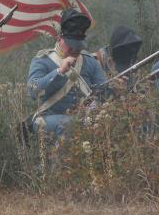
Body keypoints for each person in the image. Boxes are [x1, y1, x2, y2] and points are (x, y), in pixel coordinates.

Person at [26, 9, 106, 138]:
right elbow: (33, 91)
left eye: (78, 45)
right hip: (48, 118)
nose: (75, 49)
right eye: (71, 45)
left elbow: (104, 91)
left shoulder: (90, 61)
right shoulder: (42, 60)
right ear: (59, 39)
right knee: (69, 125)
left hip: (84, 118)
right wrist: (59, 72)